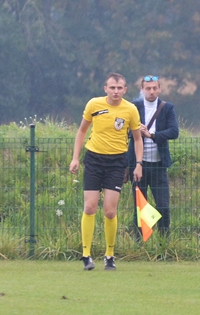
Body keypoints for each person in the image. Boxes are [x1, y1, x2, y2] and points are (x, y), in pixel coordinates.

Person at [69, 73, 143, 271]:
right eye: (112, 88)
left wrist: (138, 163)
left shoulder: (130, 109)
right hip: (94, 159)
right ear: (105, 88)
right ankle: (86, 255)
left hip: (117, 162)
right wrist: (76, 158)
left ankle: (109, 255)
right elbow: (82, 131)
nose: (116, 91)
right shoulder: (94, 104)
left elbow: (137, 139)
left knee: (110, 211)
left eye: (119, 88)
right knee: (90, 207)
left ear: (125, 90)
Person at [127, 75, 179, 239]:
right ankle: (139, 241)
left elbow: (174, 131)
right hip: (138, 165)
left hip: (159, 164)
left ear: (159, 89)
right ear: (142, 90)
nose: (151, 91)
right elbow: (123, 131)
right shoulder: (133, 107)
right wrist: (136, 131)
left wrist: (152, 135)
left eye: (154, 88)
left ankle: (165, 241)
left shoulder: (167, 108)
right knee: (139, 206)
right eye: (148, 88)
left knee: (163, 205)